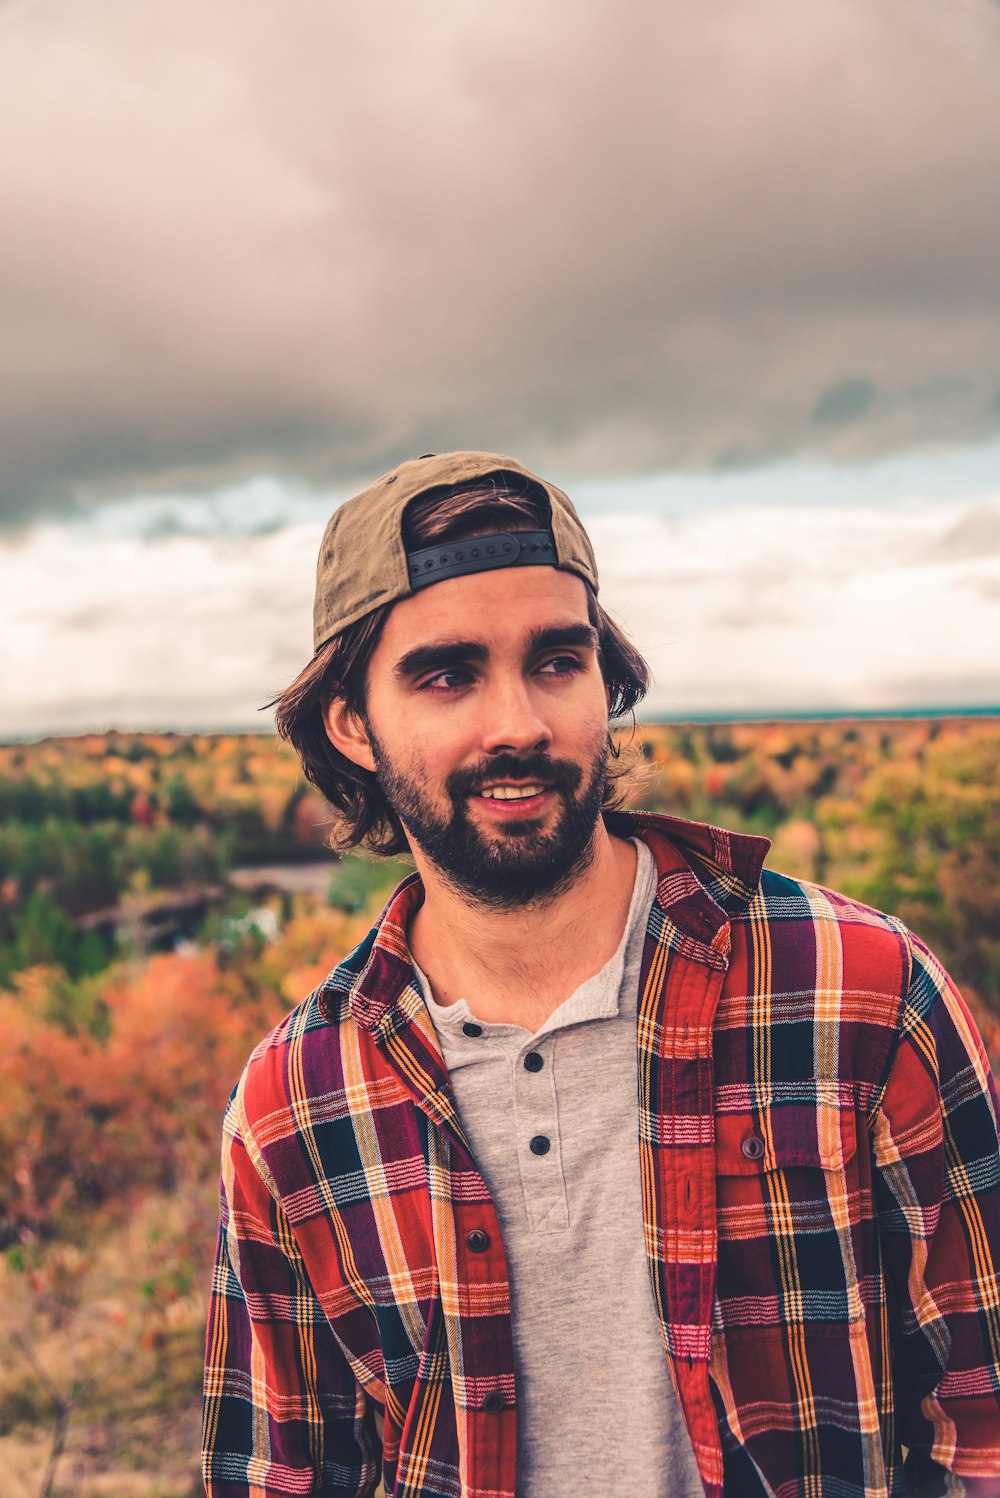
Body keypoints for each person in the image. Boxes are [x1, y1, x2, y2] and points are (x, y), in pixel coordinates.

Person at [202, 451, 1000, 1498]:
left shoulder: (858, 991)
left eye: (554, 661)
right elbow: (280, 1473)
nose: (519, 724)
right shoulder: (295, 1105)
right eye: (446, 674)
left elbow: (981, 1411)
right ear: (351, 725)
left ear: (603, 679)